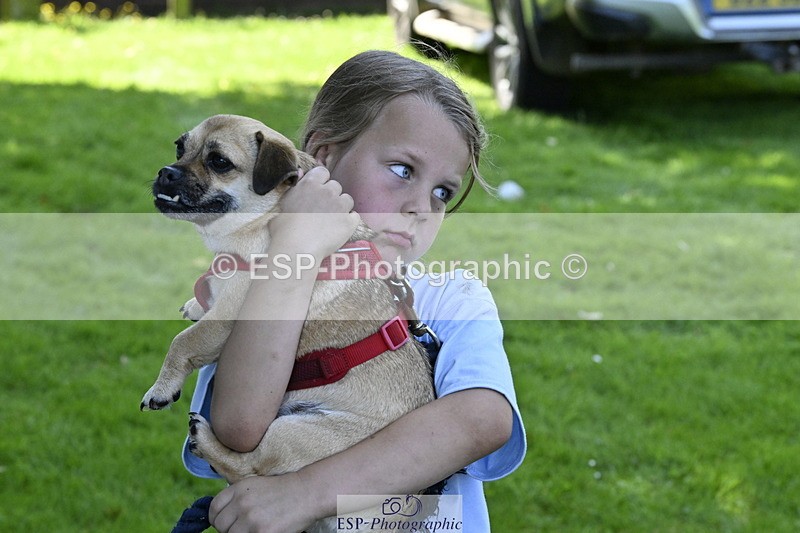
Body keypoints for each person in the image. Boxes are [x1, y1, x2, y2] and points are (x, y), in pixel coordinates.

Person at [181, 50, 526, 533]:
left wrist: (306, 494)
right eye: (403, 170)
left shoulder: (449, 297)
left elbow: (482, 418)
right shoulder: (251, 284)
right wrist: (295, 250)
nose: (420, 208)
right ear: (323, 157)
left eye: (442, 192)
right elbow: (238, 428)